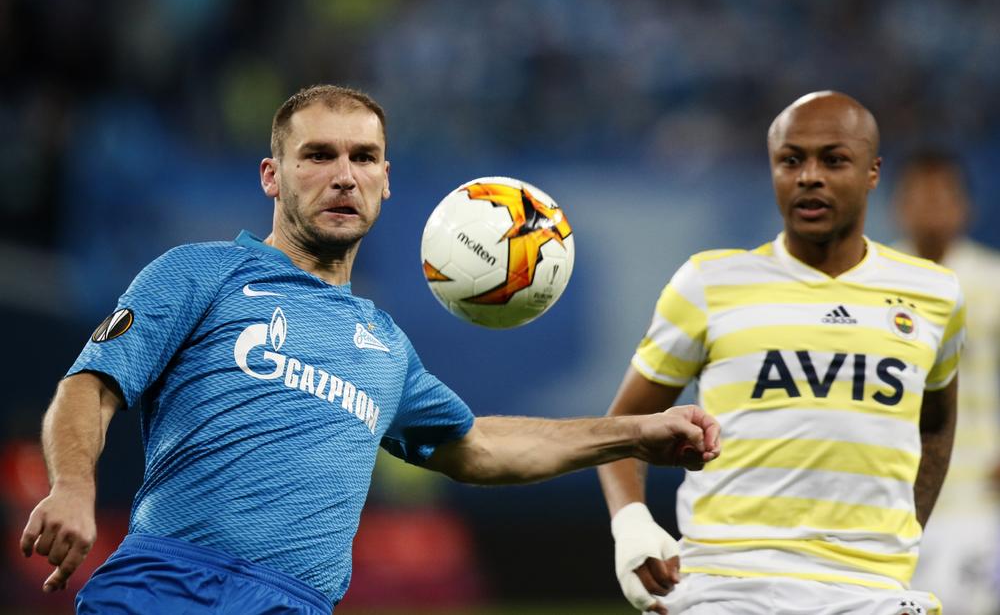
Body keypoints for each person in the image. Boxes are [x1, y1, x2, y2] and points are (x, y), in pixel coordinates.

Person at [19, 85, 722, 614]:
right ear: (272, 176)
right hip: (168, 588)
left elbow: (478, 446)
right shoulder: (200, 273)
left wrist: (632, 434)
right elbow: (90, 385)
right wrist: (73, 487)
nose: (343, 175)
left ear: (386, 181)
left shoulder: (385, 348)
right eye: (318, 156)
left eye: (363, 158)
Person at [598, 91, 965, 615]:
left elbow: (937, 422)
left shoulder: (934, 294)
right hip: (725, 586)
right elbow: (623, 427)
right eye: (791, 160)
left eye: (833, 160)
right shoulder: (709, 284)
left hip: (870, 591)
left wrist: (906, 527)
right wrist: (632, 524)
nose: (809, 176)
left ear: (872, 172)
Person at [892, 151, 1000, 615]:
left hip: (978, 494)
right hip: (892, 497)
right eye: (920, 197)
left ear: (964, 206)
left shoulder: (993, 282)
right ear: (899, 206)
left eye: (942, 197)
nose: (931, 208)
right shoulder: (875, 283)